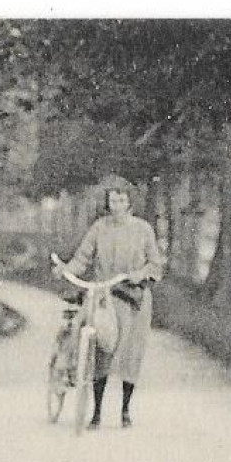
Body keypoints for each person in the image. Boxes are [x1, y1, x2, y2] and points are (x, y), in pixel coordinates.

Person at [55, 176, 164, 429]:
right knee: (100, 347)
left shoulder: (143, 229)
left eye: (122, 200)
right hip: (105, 295)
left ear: (130, 203)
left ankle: (125, 410)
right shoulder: (99, 227)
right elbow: (83, 256)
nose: (116, 205)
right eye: (112, 200)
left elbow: (155, 264)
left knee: (130, 355)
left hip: (133, 297)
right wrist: (68, 269)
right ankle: (95, 411)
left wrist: (140, 273)